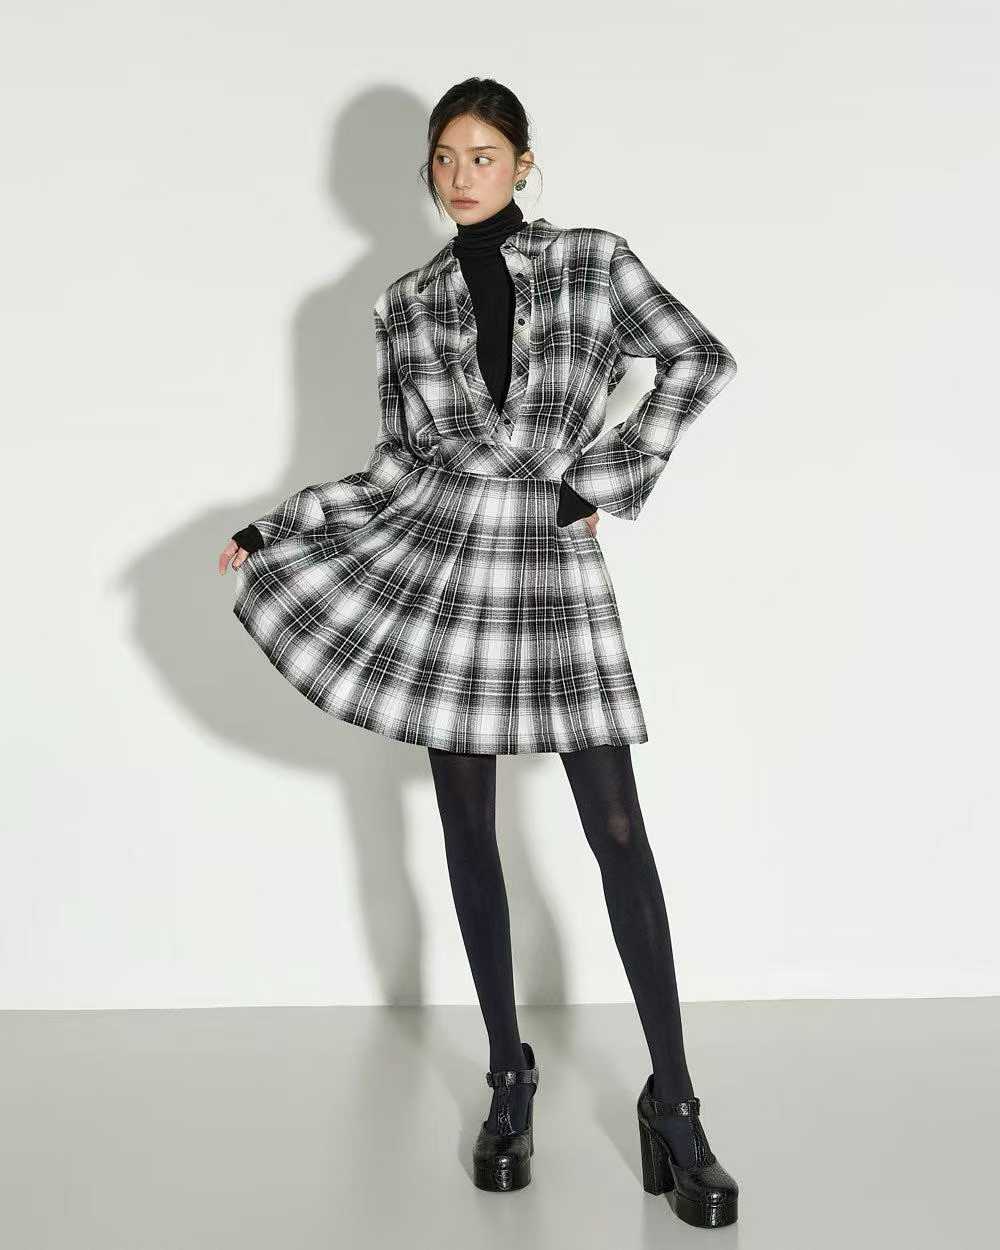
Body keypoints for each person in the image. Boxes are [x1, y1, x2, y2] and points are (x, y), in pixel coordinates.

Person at [218, 77, 738, 1226]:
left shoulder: (593, 262)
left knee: (616, 829)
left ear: (523, 163)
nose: (461, 176)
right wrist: (279, 525)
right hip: (447, 560)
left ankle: (675, 1102)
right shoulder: (403, 303)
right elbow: (394, 465)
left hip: (549, 558)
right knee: (465, 827)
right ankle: (510, 1075)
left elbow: (696, 358)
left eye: (484, 155)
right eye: (445, 157)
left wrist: (600, 479)